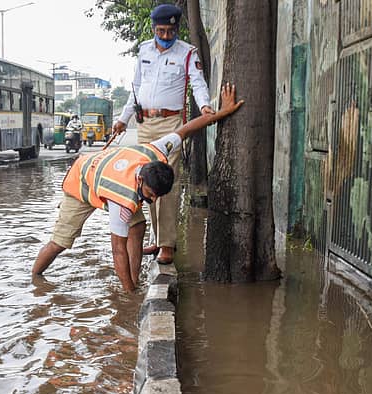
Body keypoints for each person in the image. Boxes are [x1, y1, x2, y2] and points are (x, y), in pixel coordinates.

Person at [33, 83, 243, 292]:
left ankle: (134, 280)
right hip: (80, 184)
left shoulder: (156, 149)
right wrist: (129, 298)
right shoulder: (122, 203)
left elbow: (185, 130)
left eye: (156, 196)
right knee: (60, 242)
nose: (151, 201)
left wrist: (222, 112)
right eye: (150, 195)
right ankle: (35, 279)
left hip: (104, 171)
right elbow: (118, 250)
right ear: (141, 181)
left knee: (139, 226)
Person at [112, 3, 214, 265]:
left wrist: (204, 105)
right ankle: (156, 238)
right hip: (145, 123)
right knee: (147, 182)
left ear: (177, 29)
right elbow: (136, 87)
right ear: (154, 28)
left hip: (171, 125)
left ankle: (167, 244)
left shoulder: (187, 52)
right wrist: (124, 120)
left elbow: (198, 83)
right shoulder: (144, 49)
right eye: (161, 30)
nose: (166, 36)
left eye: (171, 31)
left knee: (167, 184)